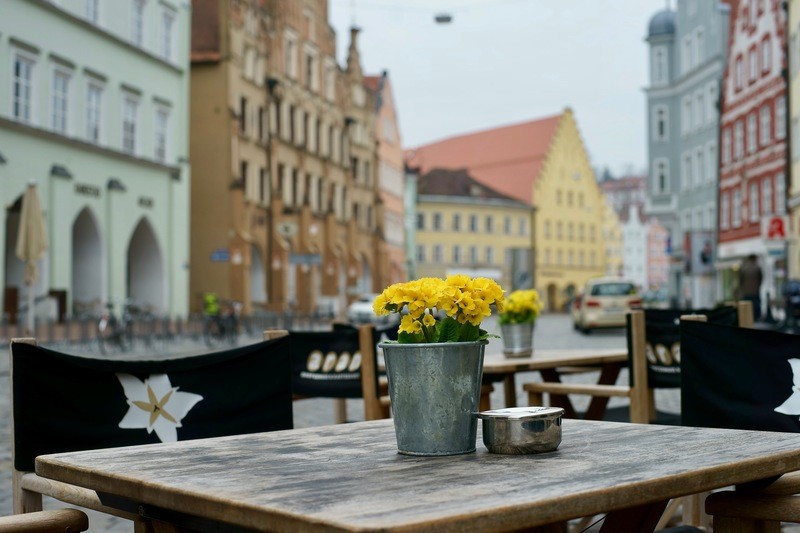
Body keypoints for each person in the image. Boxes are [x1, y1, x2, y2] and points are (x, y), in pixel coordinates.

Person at [738, 254, 763, 321]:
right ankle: (756, 319)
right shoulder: (757, 267)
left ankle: (748, 320)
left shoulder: (744, 268)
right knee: (755, 306)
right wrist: (757, 287)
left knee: (747, 308)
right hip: (755, 292)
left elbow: (740, 281)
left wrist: (743, 289)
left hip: (746, 292)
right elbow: (760, 279)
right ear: (754, 259)